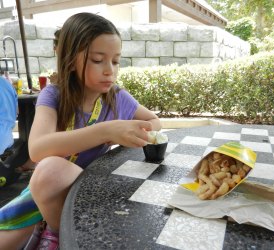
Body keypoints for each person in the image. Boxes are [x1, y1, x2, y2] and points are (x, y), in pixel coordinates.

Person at [0, 12, 161, 249]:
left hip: (94, 186)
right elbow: (37, 149)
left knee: (49, 173)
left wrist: (136, 133)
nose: (110, 71)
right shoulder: (54, 95)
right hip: (49, 189)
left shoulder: (117, 97)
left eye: (115, 61)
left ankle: (55, 234)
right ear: (70, 60)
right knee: (48, 172)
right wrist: (106, 131)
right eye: (98, 60)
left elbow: (154, 122)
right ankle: (52, 226)